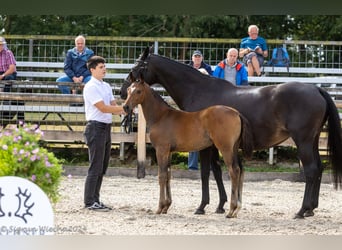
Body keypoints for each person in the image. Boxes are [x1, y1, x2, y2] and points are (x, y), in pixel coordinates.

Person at [83, 55, 127, 212]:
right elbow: (103, 108)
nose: (104, 69)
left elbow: (113, 104)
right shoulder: (90, 87)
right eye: (101, 67)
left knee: (102, 166)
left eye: (104, 66)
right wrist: (124, 109)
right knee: (95, 166)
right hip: (95, 127)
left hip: (106, 128)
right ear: (92, 69)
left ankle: (96, 199)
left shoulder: (106, 86)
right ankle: (89, 201)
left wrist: (125, 109)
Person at [187, 50, 213, 171]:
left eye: (199, 56)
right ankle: (192, 166)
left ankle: (211, 166)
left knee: (211, 138)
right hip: (193, 110)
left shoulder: (207, 69)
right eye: (195, 56)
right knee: (193, 136)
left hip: (206, 110)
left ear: (201, 58)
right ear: (192, 58)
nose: (197, 58)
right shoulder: (187, 68)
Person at [0, 36, 24, 126]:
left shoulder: (8, 53)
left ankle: (6, 98)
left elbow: (12, 68)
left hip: (8, 73)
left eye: (1, 45)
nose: (0, 47)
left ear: (3, 45)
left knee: (9, 78)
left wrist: (2, 76)